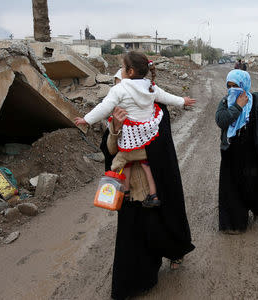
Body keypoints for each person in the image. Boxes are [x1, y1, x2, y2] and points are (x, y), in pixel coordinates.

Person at [75, 52, 195, 207]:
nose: (121, 70)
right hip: (148, 140)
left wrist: (86, 120)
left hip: (130, 141)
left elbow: (103, 108)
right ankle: (154, 195)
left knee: (120, 163)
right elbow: (167, 97)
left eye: (123, 67)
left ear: (130, 71)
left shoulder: (119, 89)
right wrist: (182, 101)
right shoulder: (151, 87)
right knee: (146, 165)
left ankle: (122, 193)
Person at [100, 106, 195, 297]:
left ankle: (176, 250)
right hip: (128, 193)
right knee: (129, 240)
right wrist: (115, 129)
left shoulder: (158, 112)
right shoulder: (117, 114)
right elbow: (110, 150)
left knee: (158, 230)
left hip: (153, 190)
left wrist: (137, 151)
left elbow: (162, 151)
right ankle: (131, 285)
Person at [215, 69, 258, 234]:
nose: (232, 90)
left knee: (253, 184)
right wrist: (238, 106)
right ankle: (234, 223)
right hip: (230, 153)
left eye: (236, 86)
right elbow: (222, 121)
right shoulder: (225, 102)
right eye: (229, 86)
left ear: (244, 85)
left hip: (251, 153)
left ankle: (256, 206)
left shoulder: (257, 103)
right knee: (231, 189)